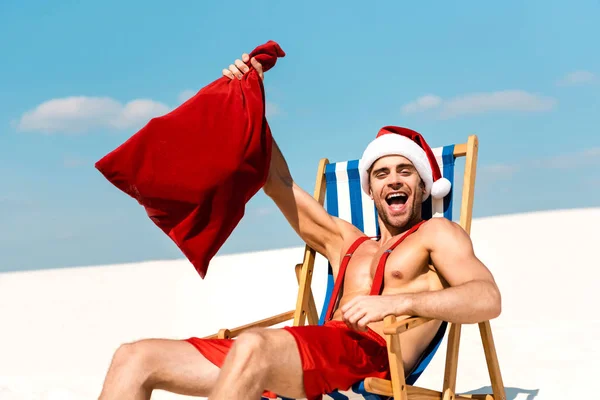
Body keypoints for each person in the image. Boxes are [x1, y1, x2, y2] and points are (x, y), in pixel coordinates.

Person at [98, 53, 501, 400]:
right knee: (134, 357)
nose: (393, 180)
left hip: (370, 360)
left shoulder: (437, 235)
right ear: (371, 190)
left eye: (404, 171)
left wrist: (400, 303)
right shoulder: (346, 241)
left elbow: (486, 298)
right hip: (310, 355)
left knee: (255, 347)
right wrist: (249, 95)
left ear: (423, 183)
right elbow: (278, 183)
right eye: (381, 174)